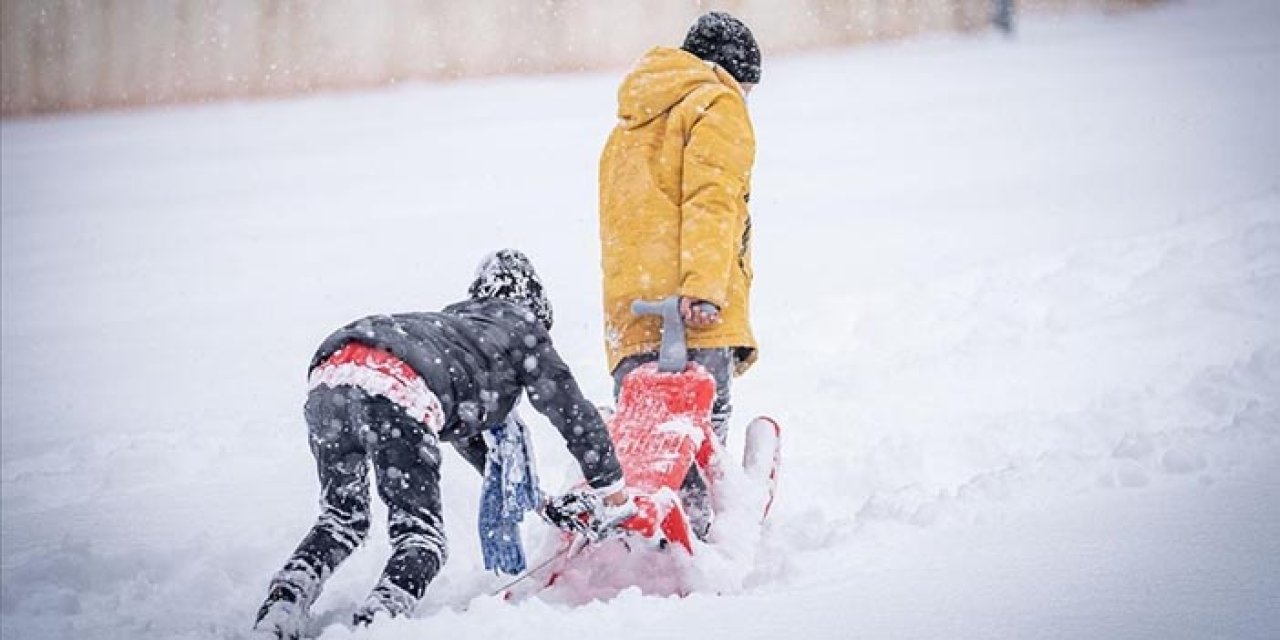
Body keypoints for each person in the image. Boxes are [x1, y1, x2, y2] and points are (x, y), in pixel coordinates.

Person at [253, 249, 635, 639]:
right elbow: (574, 415)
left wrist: (543, 504)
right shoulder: (522, 329)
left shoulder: (455, 333)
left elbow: (484, 456)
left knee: (341, 519)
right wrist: (615, 494)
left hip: (331, 375)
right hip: (396, 388)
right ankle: (374, 623)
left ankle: (283, 606)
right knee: (421, 539)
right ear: (536, 306)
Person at [597, 11, 762, 538]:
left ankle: (647, 533)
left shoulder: (630, 120)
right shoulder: (717, 102)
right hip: (693, 306)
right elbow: (712, 202)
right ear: (732, 72)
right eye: (749, 87)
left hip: (630, 311)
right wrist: (704, 288)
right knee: (699, 432)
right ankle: (705, 533)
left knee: (648, 442)